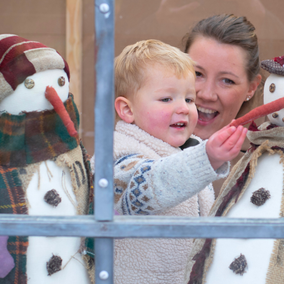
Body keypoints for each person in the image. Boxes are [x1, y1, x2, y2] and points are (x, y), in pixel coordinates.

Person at [108, 39, 247, 284]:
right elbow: (148, 185)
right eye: (166, 99)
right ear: (127, 110)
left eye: (189, 99)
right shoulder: (121, 153)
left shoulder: (183, 151)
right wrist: (207, 158)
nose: (183, 108)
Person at [183, 14, 263, 194]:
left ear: (251, 88)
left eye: (227, 80)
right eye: (197, 74)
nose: (207, 94)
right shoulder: (135, 154)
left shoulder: (267, 172)